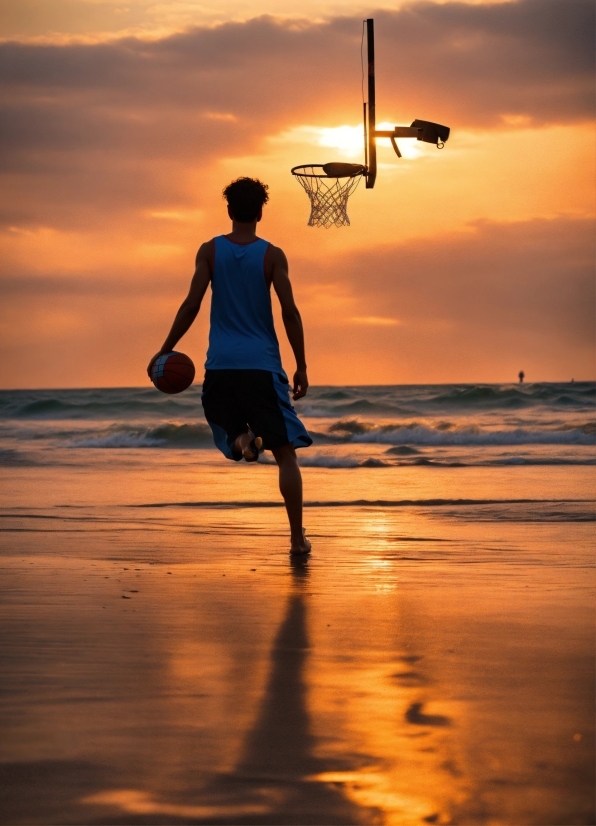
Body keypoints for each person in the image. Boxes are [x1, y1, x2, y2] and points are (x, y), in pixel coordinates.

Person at [147, 177, 312, 554]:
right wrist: (301, 364)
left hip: (220, 368)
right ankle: (297, 540)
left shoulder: (210, 251)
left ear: (228, 210)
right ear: (260, 212)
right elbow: (289, 311)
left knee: (235, 432)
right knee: (285, 453)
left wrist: (164, 350)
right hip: (262, 368)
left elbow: (192, 304)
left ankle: (242, 441)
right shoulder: (272, 255)